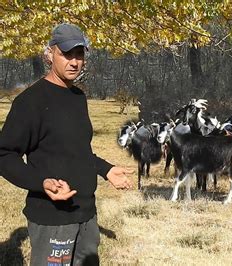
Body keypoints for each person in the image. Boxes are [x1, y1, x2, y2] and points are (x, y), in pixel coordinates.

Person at [0, 23, 133, 265]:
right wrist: (40, 182)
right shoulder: (30, 102)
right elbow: (4, 155)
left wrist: (106, 170)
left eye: (79, 54)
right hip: (52, 219)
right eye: (66, 54)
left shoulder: (78, 97)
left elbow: (76, 149)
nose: (74, 62)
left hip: (86, 214)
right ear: (50, 54)